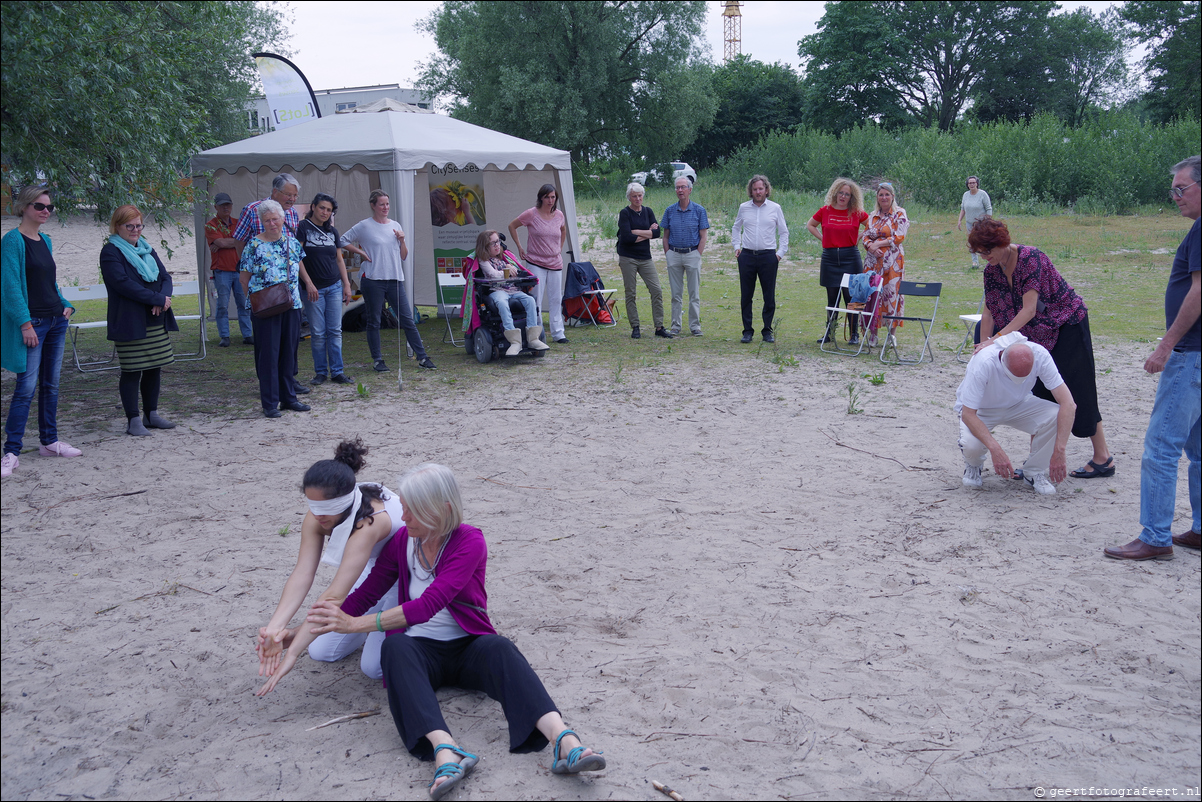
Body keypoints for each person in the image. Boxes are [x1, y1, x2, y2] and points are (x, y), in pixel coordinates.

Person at [305, 463, 606, 800]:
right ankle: (446, 752)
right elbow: (367, 593)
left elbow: (427, 606)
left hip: (467, 648)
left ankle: (565, 742)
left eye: (412, 511)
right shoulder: (403, 540)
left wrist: (355, 626)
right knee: (394, 649)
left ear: (441, 510)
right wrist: (304, 631)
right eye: (403, 508)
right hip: (420, 653)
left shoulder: (469, 541)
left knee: (501, 647)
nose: (403, 518)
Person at [1105, 156, 1201, 561]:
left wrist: (1166, 345)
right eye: (1172, 190)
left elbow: (1198, 292)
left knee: (1161, 446)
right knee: (1198, 449)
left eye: (1182, 189)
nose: (1175, 197)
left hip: (1190, 355)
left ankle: (1156, 536)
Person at [968, 217, 1114, 480]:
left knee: (1079, 389)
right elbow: (989, 311)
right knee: (1038, 392)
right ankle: (1037, 463)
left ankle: (1102, 457)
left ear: (1003, 242)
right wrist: (986, 344)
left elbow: (1029, 309)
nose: (984, 256)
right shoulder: (991, 272)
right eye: (979, 252)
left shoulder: (1030, 259)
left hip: (1066, 324)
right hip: (1035, 334)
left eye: (987, 250)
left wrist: (997, 338)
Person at [256, 439, 404, 693]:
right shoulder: (318, 516)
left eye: (326, 509)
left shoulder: (370, 522)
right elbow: (303, 574)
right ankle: (361, 627)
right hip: (370, 572)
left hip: (404, 576)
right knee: (323, 651)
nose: (318, 516)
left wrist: (292, 654)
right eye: (313, 507)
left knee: (374, 666)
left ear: (345, 501)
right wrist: (274, 627)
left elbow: (334, 595)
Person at [2, 187, 80, 478]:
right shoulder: (12, 241)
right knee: (25, 387)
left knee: (51, 385)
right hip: (33, 323)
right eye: (40, 206)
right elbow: (10, 287)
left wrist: (65, 304)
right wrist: (24, 323)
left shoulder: (45, 240)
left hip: (55, 320)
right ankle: (11, 451)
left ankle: (49, 441)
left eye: (50, 207)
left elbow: (50, 283)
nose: (46, 211)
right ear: (24, 207)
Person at [956, 334, 1076, 496]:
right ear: (1002, 360)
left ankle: (1034, 471)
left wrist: (1060, 450)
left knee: (1055, 415)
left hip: (1019, 403)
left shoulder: (1040, 354)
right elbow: (968, 414)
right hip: (982, 410)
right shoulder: (984, 362)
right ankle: (973, 465)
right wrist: (995, 449)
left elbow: (1068, 404)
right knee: (972, 445)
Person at [99, 205, 178, 437]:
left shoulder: (146, 248)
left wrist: (162, 299)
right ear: (117, 226)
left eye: (139, 225)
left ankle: (151, 414)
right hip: (129, 320)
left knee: (155, 367)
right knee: (132, 370)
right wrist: (155, 298)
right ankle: (133, 419)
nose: (135, 230)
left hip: (155, 318)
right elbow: (122, 284)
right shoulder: (111, 252)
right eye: (129, 226)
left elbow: (165, 276)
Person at [342, 190, 436, 371]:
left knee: (407, 319)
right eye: (381, 204)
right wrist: (360, 252)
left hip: (394, 279)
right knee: (374, 321)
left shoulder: (395, 224)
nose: (385, 208)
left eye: (387, 204)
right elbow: (342, 240)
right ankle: (378, 360)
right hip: (373, 279)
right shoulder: (364, 226)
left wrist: (402, 241)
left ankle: (423, 357)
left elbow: (404, 256)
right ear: (373, 206)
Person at [232, 173, 307, 393]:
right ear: (275, 191)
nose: (292, 199)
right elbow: (239, 239)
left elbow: (294, 253)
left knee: (290, 341)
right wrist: (249, 267)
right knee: (267, 344)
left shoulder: (292, 214)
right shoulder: (252, 209)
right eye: (288, 194)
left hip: (288, 291)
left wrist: (306, 282)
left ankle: (289, 381)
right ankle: (268, 387)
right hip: (263, 291)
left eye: (295, 195)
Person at [296, 193, 354, 386]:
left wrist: (346, 285)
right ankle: (320, 372)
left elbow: (339, 259)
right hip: (313, 289)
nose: (325, 212)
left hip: (334, 286)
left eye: (329, 210)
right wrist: (308, 283)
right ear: (313, 207)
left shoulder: (332, 232)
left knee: (335, 330)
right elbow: (298, 257)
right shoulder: (303, 228)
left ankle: (337, 371)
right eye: (322, 208)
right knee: (318, 332)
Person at [807, 178, 868, 345]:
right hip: (830, 258)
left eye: (847, 194)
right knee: (832, 298)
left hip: (851, 257)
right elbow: (810, 225)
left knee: (852, 297)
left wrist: (860, 236)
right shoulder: (825, 210)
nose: (843, 196)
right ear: (835, 193)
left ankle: (854, 334)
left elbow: (871, 224)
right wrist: (822, 238)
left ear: (851, 197)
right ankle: (830, 333)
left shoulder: (856, 212)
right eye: (841, 192)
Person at [471, 230, 549, 356]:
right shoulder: (483, 260)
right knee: (502, 303)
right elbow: (493, 274)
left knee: (530, 300)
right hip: (496, 291)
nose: (497, 245)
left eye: (498, 242)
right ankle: (514, 341)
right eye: (493, 243)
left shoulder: (506, 257)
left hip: (513, 290)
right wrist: (506, 271)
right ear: (485, 247)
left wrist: (517, 271)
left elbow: (518, 270)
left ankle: (533, 338)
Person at [733, 174, 789, 344]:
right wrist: (737, 246)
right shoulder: (744, 208)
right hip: (747, 256)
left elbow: (784, 232)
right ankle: (747, 331)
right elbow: (736, 228)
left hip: (768, 256)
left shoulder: (775, 208)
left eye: (761, 189)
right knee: (746, 295)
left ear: (766, 190)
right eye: (755, 189)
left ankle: (767, 330)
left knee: (768, 295)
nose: (758, 192)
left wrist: (780, 253)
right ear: (751, 190)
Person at [509, 184, 568, 344]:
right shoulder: (531, 214)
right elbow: (512, 225)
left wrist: (559, 247)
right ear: (541, 197)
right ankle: (538, 333)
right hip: (536, 262)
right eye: (547, 197)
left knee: (556, 298)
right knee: (535, 298)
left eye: (553, 197)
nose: (550, 200)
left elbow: (563, 230)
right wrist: (520, 247)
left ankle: (558, 333)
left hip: (555, 262)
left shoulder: (559, 215)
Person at [616, 182, 671, 340]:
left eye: (640, 196)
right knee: (631, 292)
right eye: (634, 196)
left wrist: (637, 232)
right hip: (628, 257)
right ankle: (635, 326)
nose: (637, 198)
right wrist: (648, 232)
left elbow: (657, 233)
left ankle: (659, 326)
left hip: (645, 257)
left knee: (656, 290)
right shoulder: (625, 213)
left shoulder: (648, 211)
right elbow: (626, 237)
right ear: (629, 197)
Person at [660, 176, 710, 337]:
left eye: (683, 187)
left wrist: (697, 254)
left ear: (690, 189)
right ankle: (675, 325)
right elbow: (665, 235)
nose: (680, 190)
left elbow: (703, 236)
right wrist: (668, 253)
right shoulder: (669, 211)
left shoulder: (699, 210)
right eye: (677, 188)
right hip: (674, 254)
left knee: (694, 293)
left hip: (692, 254)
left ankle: (695, 326)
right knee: (676, 294)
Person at [861, 182, 908, 347]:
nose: (884, 197)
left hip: (892, 262)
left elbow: (900, 236)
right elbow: (865, 235)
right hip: (872, 263)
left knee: (891, 295)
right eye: (881, 194)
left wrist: (877, 245)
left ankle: (891, 334)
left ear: (892, 196)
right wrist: (870, 247)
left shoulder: (899, 213)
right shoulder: (872, 215)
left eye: (887, 194)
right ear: (877, 197)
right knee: (873, 296)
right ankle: (873, 333)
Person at [204, 192, 252, 348]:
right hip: (222, 270)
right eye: (223, 205)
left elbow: (247, 240)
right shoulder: (211, 225)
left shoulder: (238, 222)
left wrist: (226, 242)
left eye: (228, 204)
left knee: (243, 303)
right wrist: (235, 241)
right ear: (216, 206)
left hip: (239, 269)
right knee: (222, 305)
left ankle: (248, 334)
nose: (226, 207)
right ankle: (224, 336)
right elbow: (225, 243)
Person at [957, 176, 992, 268]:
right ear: (967, 185)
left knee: (983, 242)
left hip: (981, 223)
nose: (972, 184)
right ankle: (975, 262)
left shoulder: (982, 194)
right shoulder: (965, 195)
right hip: (969, 223)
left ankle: (990, 260)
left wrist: (988, 221)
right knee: (972, 242)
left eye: (973, 182)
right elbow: (963, 209)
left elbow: (988, 208)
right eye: (970, 183)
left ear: (977, 183)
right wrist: (959, 220)